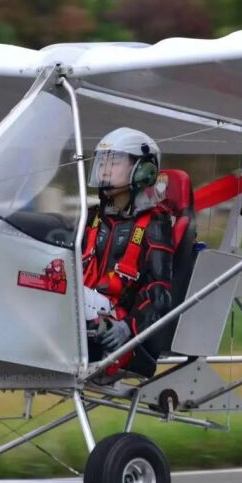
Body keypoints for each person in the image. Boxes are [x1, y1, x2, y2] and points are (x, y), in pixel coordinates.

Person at [83, 127, 174, 378]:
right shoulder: (91, 218)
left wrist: (128, 328)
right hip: (85, 307)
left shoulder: (155, 224)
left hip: (119, 330)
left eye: (114, 162)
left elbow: (158, 292)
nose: (104, 169)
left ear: (143, 169)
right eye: (102, 162)